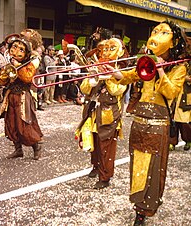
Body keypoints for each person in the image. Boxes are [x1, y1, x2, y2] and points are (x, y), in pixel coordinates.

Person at [106, 20, 189, 226]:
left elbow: (170, 92)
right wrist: (115, 73)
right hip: (139, 122)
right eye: (155, 31)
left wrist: (160, 70)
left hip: (159, 124)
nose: (156, 35)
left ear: (173, 41)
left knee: (153, 169)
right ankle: (138, 207)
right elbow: (130, 76)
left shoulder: (179, 68)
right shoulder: (145, 61)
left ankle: (145, 210)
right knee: (138, 167)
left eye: (163, 32)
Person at [76, 37, 128, 190]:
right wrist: (91, 79)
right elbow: (85, 89)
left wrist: (108, 77)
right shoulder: (96, 65)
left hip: (109, 113)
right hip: (93, 111)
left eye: (111, 48)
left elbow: (118, 90)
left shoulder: (122, 70)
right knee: (93, 142)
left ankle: (105, 176)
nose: (106, 52)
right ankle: (96, 166)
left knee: (106, 146)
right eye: (104, 49)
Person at [0, 34, 43, 160]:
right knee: (11, 123)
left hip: (23, 97)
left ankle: (36, 147)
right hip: (11, 96)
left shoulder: (29, 64)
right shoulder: (8, 63)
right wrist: (5, 74)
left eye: (21, 49)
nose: (16, 51)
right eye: (14, 47)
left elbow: (28, 77)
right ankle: (18, 150)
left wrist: (17, 66)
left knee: (25, 124)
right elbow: (0, 81)